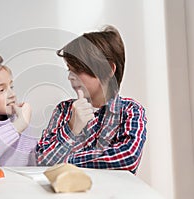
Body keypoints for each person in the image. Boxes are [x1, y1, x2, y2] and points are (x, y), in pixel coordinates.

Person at [36, 25, 147, 174]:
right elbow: (42, 160)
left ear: (108, 69)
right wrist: (71, 128)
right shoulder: (63, 110)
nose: (70, 77)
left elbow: (128, 156)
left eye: (78, 69)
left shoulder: (130, 111)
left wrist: (67, 160)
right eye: (70, 70)